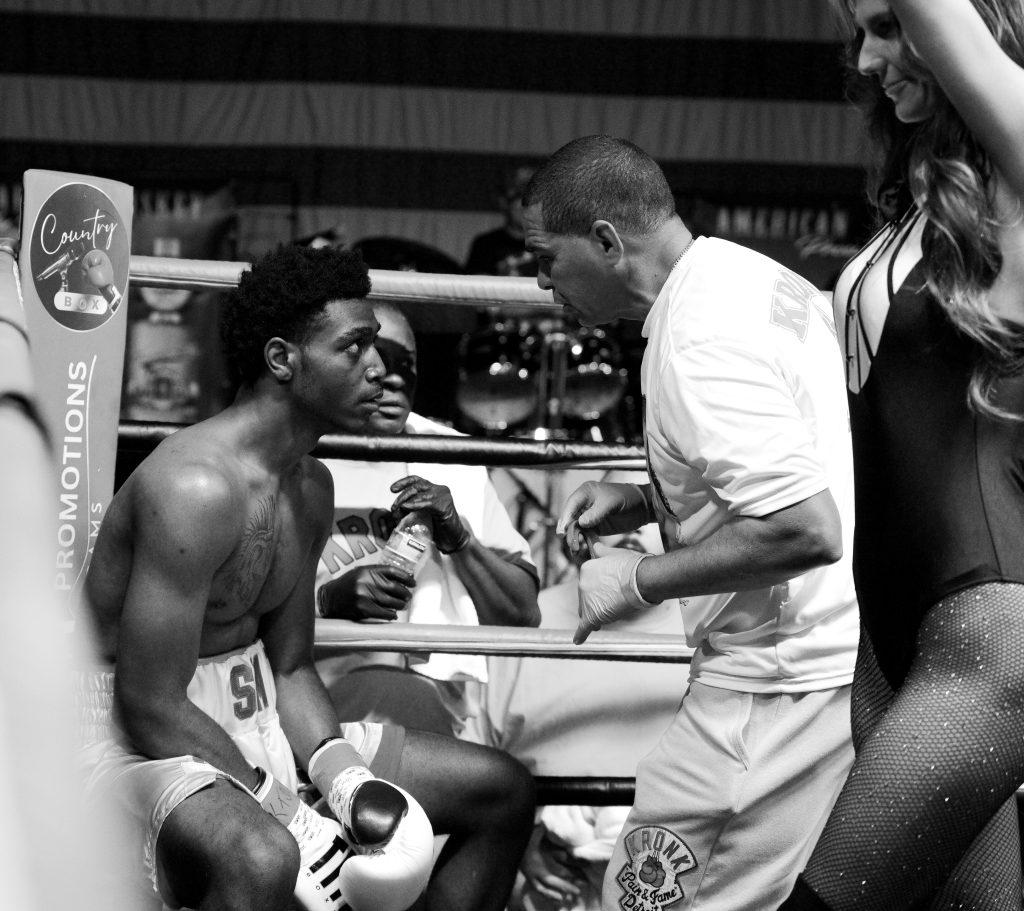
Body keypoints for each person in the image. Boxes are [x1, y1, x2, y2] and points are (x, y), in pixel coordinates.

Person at [79, 245, 535, 911]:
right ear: (282, 360)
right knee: (264, 856)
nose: (379, 368)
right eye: (355, 347)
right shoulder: (194, 488)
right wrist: (283, 806)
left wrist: (342, 777)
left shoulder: (310, 485)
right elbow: (148, 704)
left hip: (255, 716)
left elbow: (290, 668)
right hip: (132, 742)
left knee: (501, 788)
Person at [521, 135, 859, 911]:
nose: (541, 282)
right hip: (817, 666)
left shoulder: (696, 339)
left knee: (642, 900)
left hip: (769, 688)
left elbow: (805, 526)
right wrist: (653, 495)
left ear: (606, 240)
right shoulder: (746, 276)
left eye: (547, 258)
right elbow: (801, 452)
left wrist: (640, 578)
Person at [779, 3, 1024, 909]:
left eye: (887, 24)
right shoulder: (923, 207)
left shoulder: (1018, 167)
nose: (869, 58)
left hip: (986, 635)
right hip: (890, 640)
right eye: (857, 34)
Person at [315, 300, 541, 738]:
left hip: (433, 724)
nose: (395, 377)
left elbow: (522, 616)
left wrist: (460, 539)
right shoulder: (292, 457)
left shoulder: (452, 458)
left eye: (408, 364)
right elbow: (225, 613)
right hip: (313, 720)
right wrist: (325, 602)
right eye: (379, 356)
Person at [466, 515, 690, 911]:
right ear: (580, 531)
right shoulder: (525, 620)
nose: (635, 527)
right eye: (617, 513)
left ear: (676, 532)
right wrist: (516, 839)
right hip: (542, 876)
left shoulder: (711, 630)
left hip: (681, 865)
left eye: (649, 512)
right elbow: (473, 752)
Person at [464, 165, 538, 277]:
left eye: (533, 200)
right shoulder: (485, 244)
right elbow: (475, 284)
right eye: (518, 197)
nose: (526, 208)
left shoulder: (549, 244)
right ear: (504, 203)